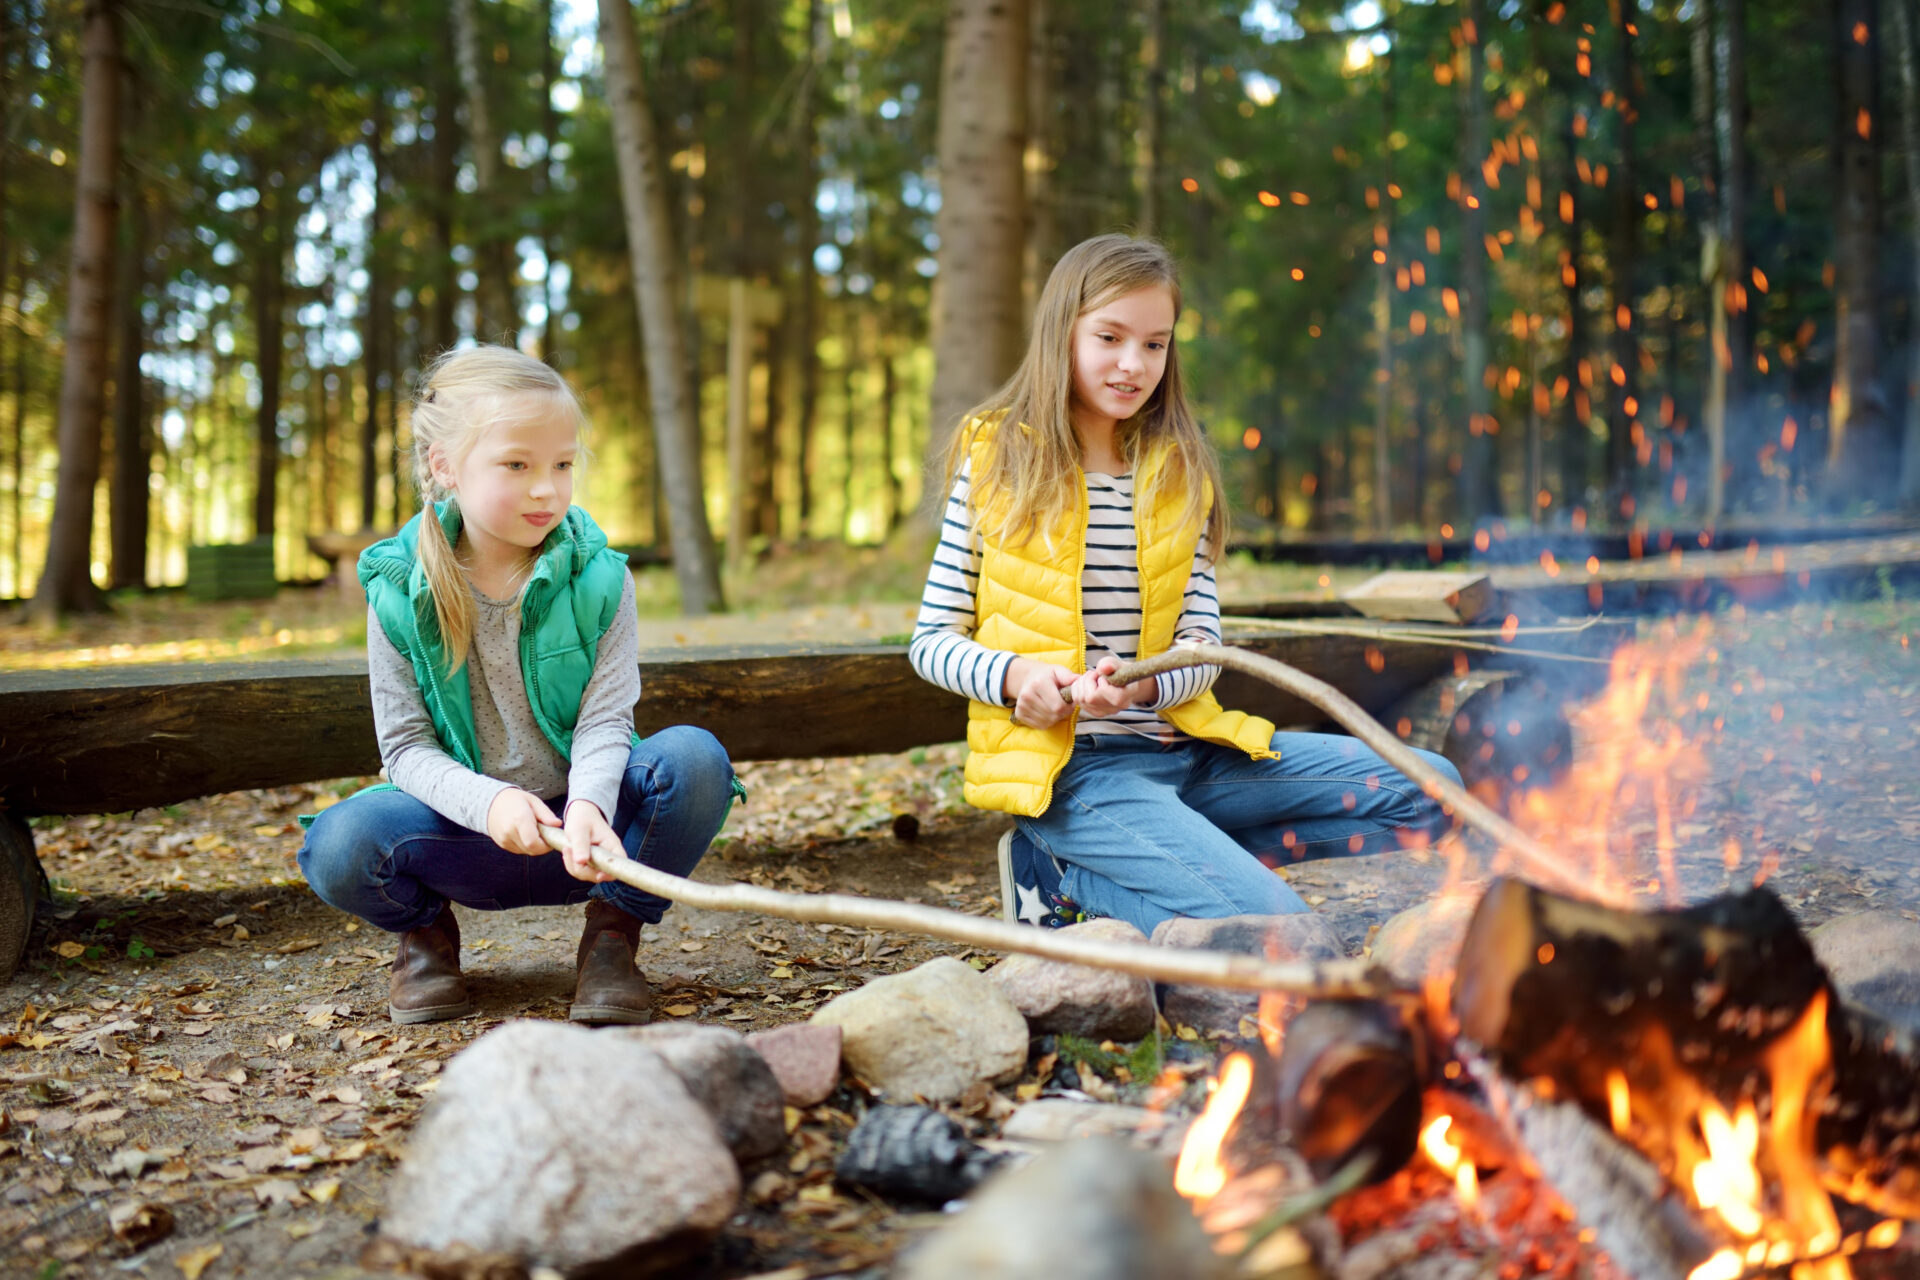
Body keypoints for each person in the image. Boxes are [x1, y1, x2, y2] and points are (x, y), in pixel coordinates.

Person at [908, 234, 1461, 937]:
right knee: (1284, 936)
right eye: (1109, 336)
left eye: (1155, 344)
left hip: (1190, 754)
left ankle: (1146, 874)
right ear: (1062, 333)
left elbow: (1201, 644)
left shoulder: (1179, 468)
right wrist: (1017, 676)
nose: (1132, 364)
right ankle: (1060, 870)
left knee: (1433, 787)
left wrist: (1141, 687)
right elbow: (932, 641)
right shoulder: (997, 458)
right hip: (1078, 775)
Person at [299, 346, 736, 1025]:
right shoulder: (395, 589)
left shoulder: (601, 578)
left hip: (591, 838)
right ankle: (427, 938)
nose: (547, 489)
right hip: (467, 836)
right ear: (445, 465)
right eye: (517, 465)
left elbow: (605, 718)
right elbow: (406, 748)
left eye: (563, 464)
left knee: (695, 761)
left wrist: (590, 802)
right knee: (337, 844)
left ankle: (613, 938)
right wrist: (491, 802)